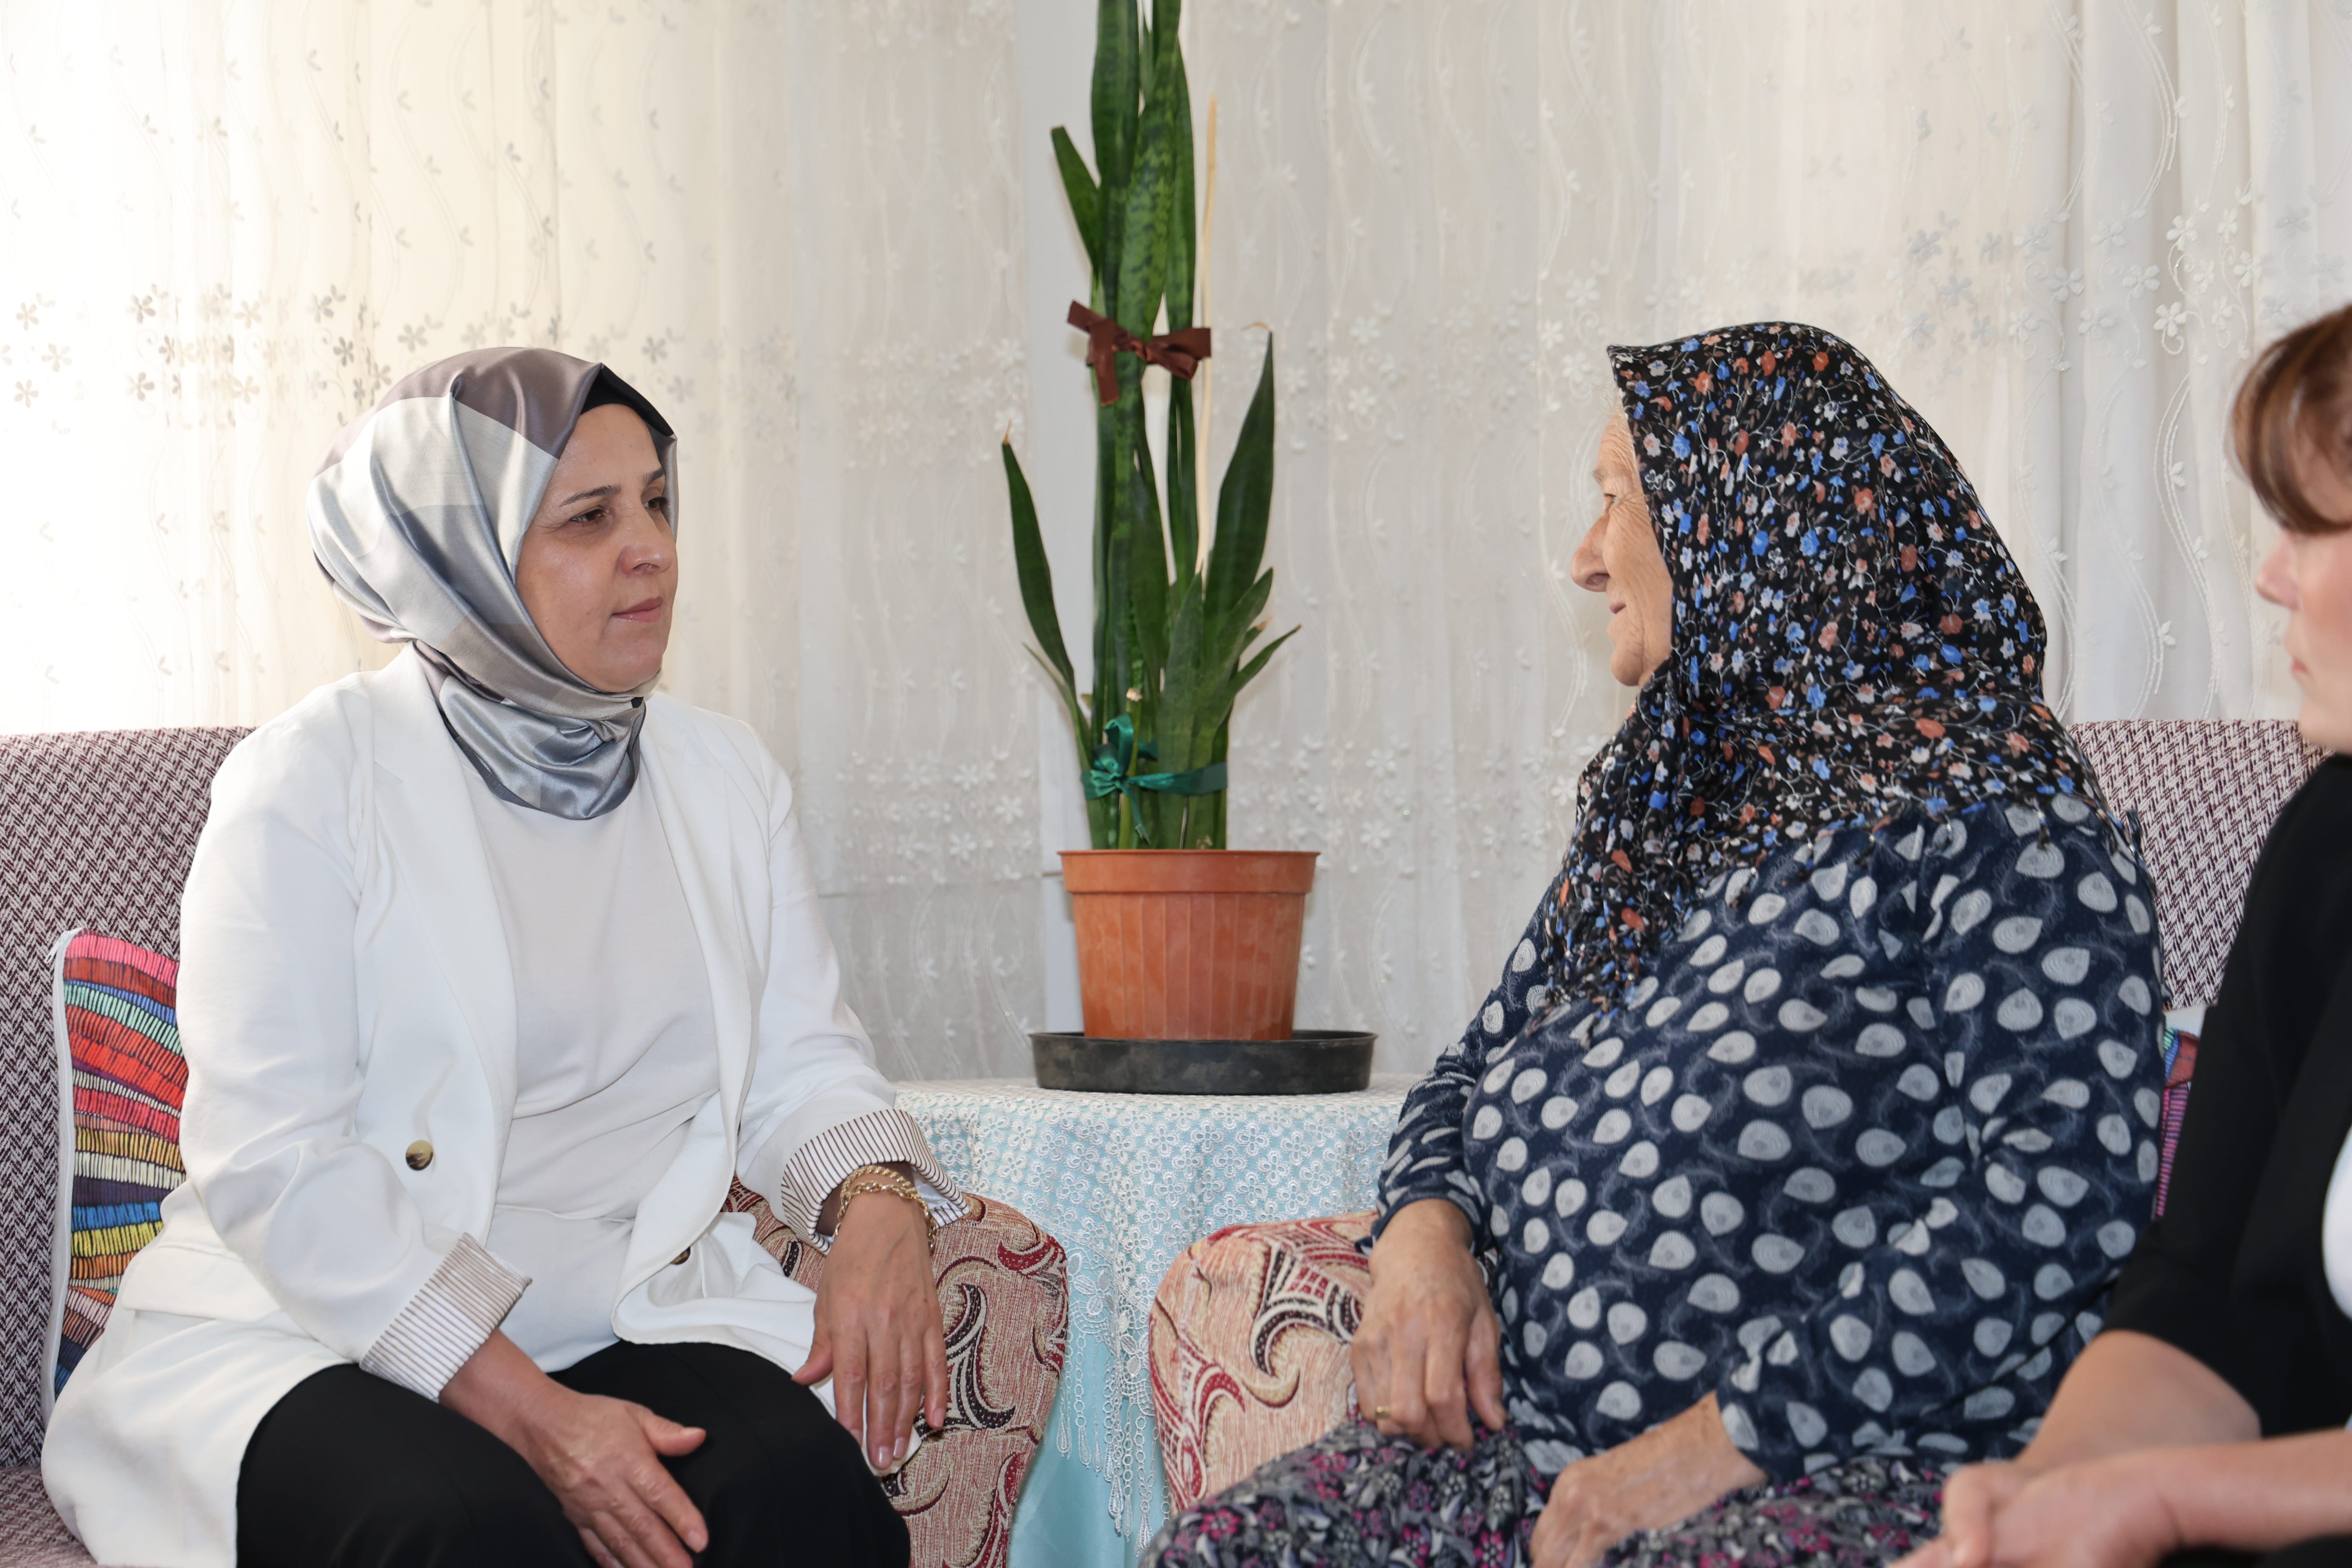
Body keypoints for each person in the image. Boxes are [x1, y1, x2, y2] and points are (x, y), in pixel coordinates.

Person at [1147, 323, 2167, 1568]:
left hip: (1842, 1467)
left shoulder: (2000, 823)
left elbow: (2059, 1200)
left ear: (1755, 518)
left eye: (1617, 499)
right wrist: (1423, 1235)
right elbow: (1469, 1073)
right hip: (1526, 1452)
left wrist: (1722, 1440)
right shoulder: (1671, 812)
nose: (1585, 559)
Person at [42, 348, 955, 1568]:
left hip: (614, 1305)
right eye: (590, 518)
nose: (652, 549)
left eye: (658, 502)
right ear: (456, 558)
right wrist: (540, 1421)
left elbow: (804, 1065)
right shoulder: (309, 781)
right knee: (462, 1529)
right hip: (314, 1322)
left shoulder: (726, 776)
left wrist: (880, 1204)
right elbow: (276, 1163)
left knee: (800, 1496)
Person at [1895, 301, 2352, 1568]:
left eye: (2314, 528)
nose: (2270, 576)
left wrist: (2170, 1501)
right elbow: (2203, 1290)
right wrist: (2040, 1499)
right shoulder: (2329, 841)